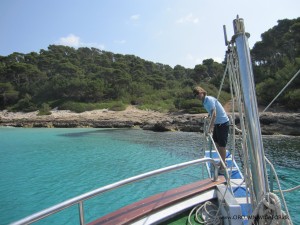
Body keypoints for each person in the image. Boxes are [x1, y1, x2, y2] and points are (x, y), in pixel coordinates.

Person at [193, 86, 229, 172]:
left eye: (198, 93)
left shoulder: (208, 100)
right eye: (195, 95)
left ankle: (223, 165)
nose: (197, 96)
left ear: (202, 92)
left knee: (222, 146)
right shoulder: (204, 101)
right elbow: (212, 111)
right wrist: (208, 115)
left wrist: (210, 127)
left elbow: (215, 114)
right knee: (216, 143)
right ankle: (222, 161)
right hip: (217, 123)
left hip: (222, 123)